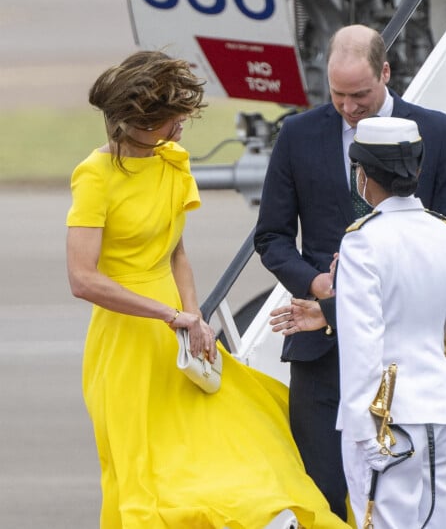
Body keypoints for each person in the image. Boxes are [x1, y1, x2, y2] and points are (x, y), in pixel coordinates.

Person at [66, 50, 350, 529]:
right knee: (153, 469)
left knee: (241, 427)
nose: (181, 126)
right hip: (128, 342)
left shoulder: (171, 162)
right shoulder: (95, 176)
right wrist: (166, 314)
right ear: (140, 121)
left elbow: (176, 252)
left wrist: (194, 317)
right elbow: (83, 278)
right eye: (171, 118)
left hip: (180, 326)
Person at [254, 23, 446, 518]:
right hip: (322, 353)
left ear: (386, 73)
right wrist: (319, 284)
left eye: (360, 95)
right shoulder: (299, 134)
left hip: (408, 358)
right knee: (325, 496)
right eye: (338, 96)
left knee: (405, 506)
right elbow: (271, 236)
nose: (349, 108)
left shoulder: (434, 130)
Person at [335, 116, 446, 528]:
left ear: (363, 174)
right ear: (416, 170)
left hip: (388, 420)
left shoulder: (362, 240)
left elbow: (362, 344)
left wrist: (365, 435)